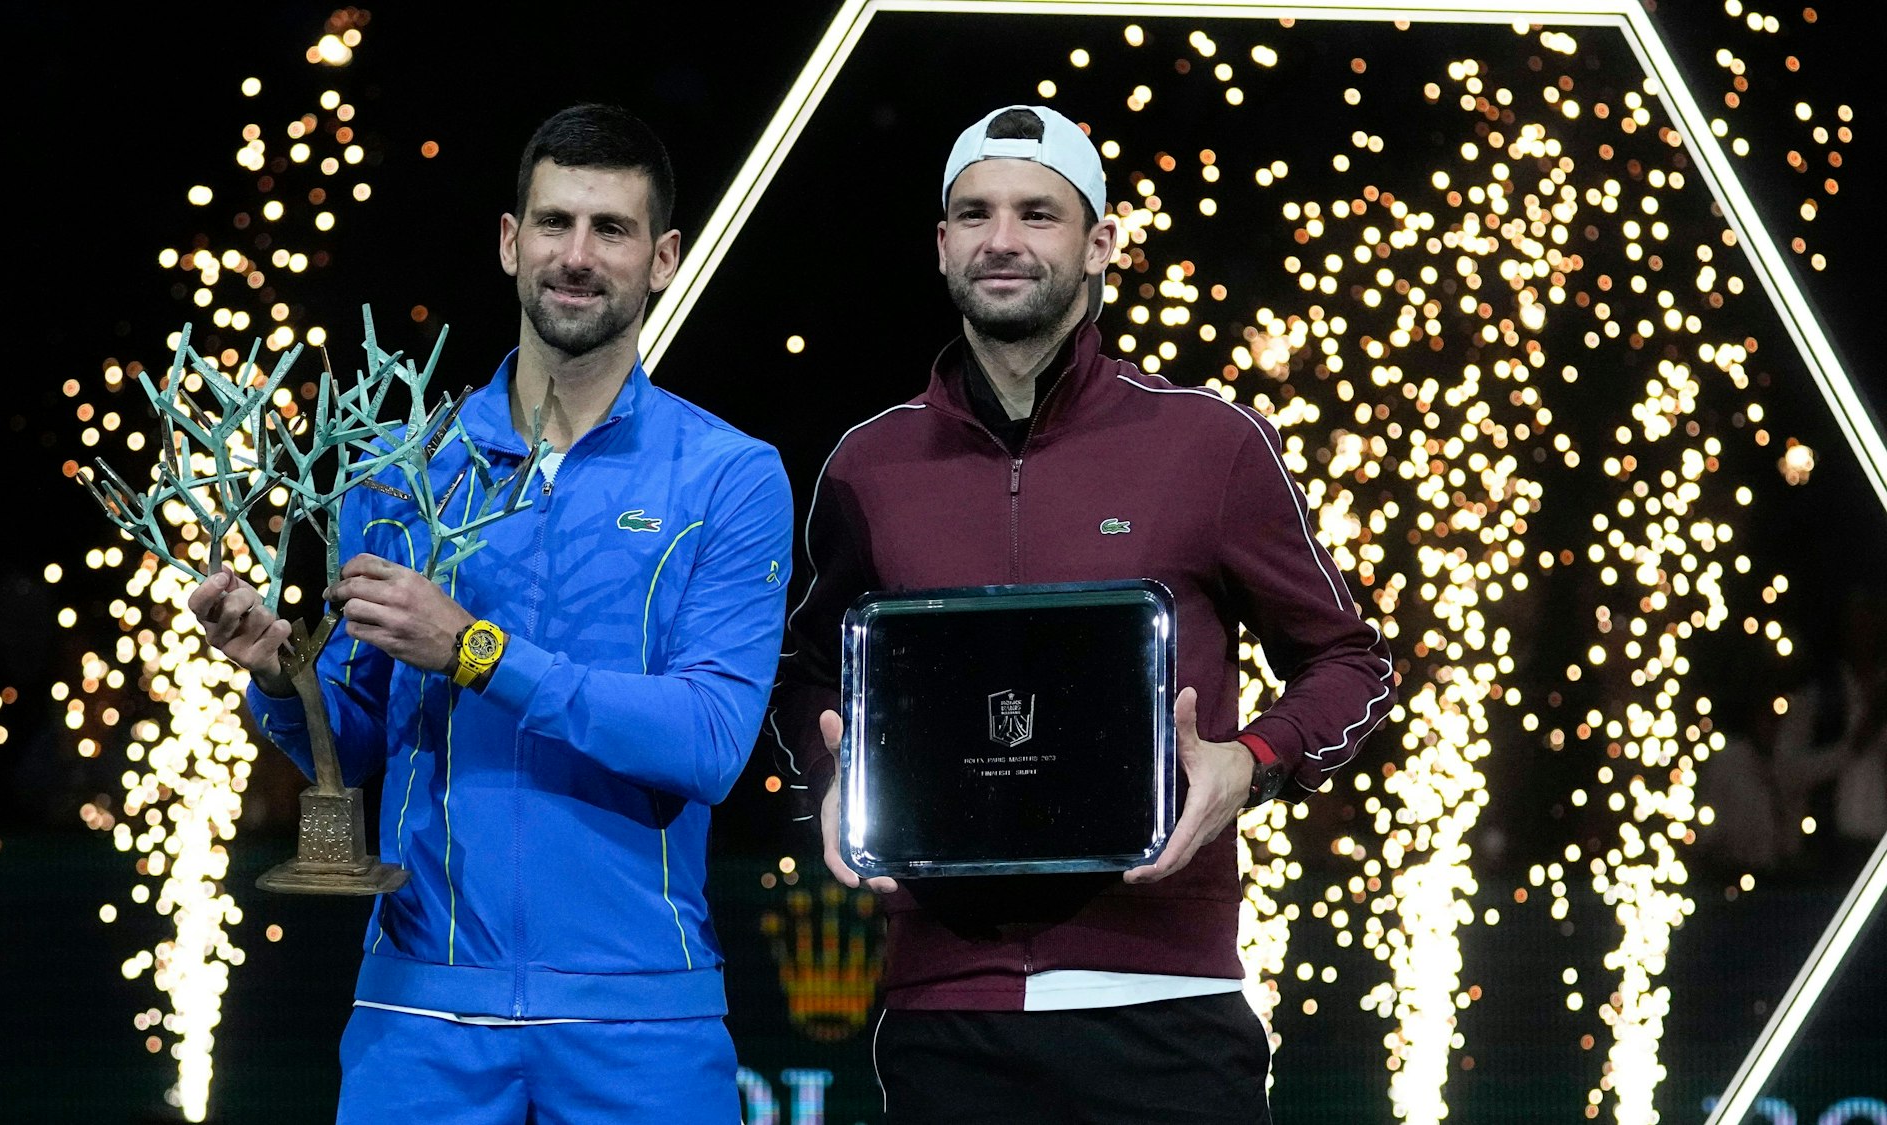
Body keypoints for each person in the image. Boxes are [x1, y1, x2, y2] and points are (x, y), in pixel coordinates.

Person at [769, 104, 1396, 1123]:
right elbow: (805, 675)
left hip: (1168, 1007)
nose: (1002, 240)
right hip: (945, 1015)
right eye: (973, 214)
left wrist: (1254, 760)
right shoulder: (868, 465)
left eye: (1037, 214)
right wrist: (836, 774)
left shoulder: (1208, 443)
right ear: (941, 246)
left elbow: (1349, 662)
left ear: (1100, 242)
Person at [189, 104, 792, 1124]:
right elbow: (360, 741)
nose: (576, 255)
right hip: (419, 1019)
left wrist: (475, 650)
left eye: (611, 230)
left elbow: (709, 743)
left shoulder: (731, 477)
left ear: (663, 258)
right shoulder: (401, 466)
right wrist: (275, 672)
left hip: (641, 1026)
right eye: (553, 223)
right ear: (510, 241)